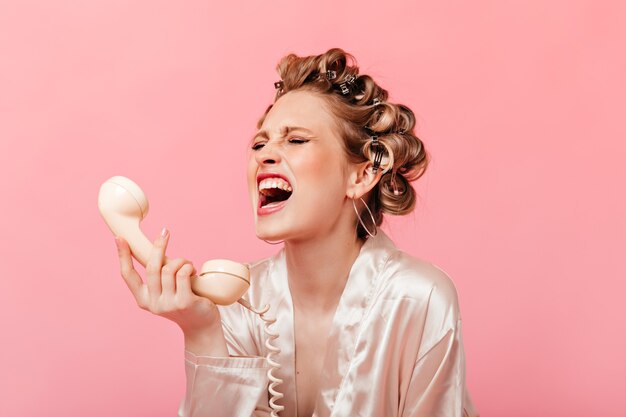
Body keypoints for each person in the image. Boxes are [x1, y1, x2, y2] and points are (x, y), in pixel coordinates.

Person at [114, 48, 479, 417]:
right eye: (259, 143)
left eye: (296, 140)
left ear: (362, 174)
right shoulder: (237, 304)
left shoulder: (420, 299)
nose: (265, 154)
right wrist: (201, 330)